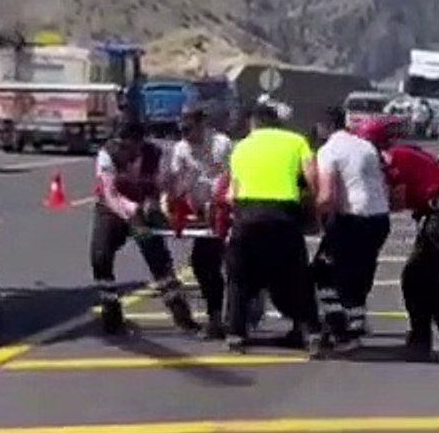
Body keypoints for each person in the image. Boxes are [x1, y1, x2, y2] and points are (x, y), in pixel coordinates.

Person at [356, 119, 439, 361]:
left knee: (422, 277)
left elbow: (394, 200)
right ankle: (423, 339)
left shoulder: (393, 158)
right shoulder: (399, 154)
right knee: (418, 278)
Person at [224, 102, 321, 352]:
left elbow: (231, 194)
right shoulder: (297, 141)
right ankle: (311, 332)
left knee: (238, 278)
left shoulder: (240, 146)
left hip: (247, 215)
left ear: (253, 123)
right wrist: (312, 210)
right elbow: (313, 179)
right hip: (283, 217)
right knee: (298, 276)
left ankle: (236, 334)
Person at [92, 119, 198, 335]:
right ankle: (111, 312)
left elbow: (167, 186)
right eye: (119, 145)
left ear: (139, 144)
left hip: (145, 205)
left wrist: (159, 203)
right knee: (100, 254)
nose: (121, 151)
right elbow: (110, 194)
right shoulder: (106, 155)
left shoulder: (156, 155)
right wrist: (133, 212)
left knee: (158, 259)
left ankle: (183, 317)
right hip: (114, 208)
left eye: (127, 146)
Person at [313, 106, 393, 351]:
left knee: (322, 272)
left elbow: (327, 196)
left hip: (353, 218)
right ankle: (356, 324)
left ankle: (342, 329)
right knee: (358, 274)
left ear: (325, 127)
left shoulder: (329, 151)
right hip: (379, 218)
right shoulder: (365, 146)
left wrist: (313, 216)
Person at [166, 106, 234, 339]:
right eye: (181, 129)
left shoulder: (221, 144)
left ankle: (232, 319)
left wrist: (221, 203)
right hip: (201, 212)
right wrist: (171, 201)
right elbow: (176, 182)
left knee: (227, 264)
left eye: (189, 129)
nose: (185, 134)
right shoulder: (181, 149)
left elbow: (233, 176)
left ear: (201, 124)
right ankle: (216, 318)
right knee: (203, 264)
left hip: (225, 209)